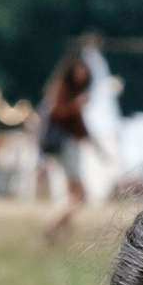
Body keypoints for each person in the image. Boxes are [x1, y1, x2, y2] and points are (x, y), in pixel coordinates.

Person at [34, 45, 94, 242]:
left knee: (70, 192)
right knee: (80, 194)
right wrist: (76, 105)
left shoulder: (69, 90)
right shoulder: (64, 90)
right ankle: (51, 223)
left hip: (67, 144)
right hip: (66, 145)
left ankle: (64, 237)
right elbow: (59, 114)